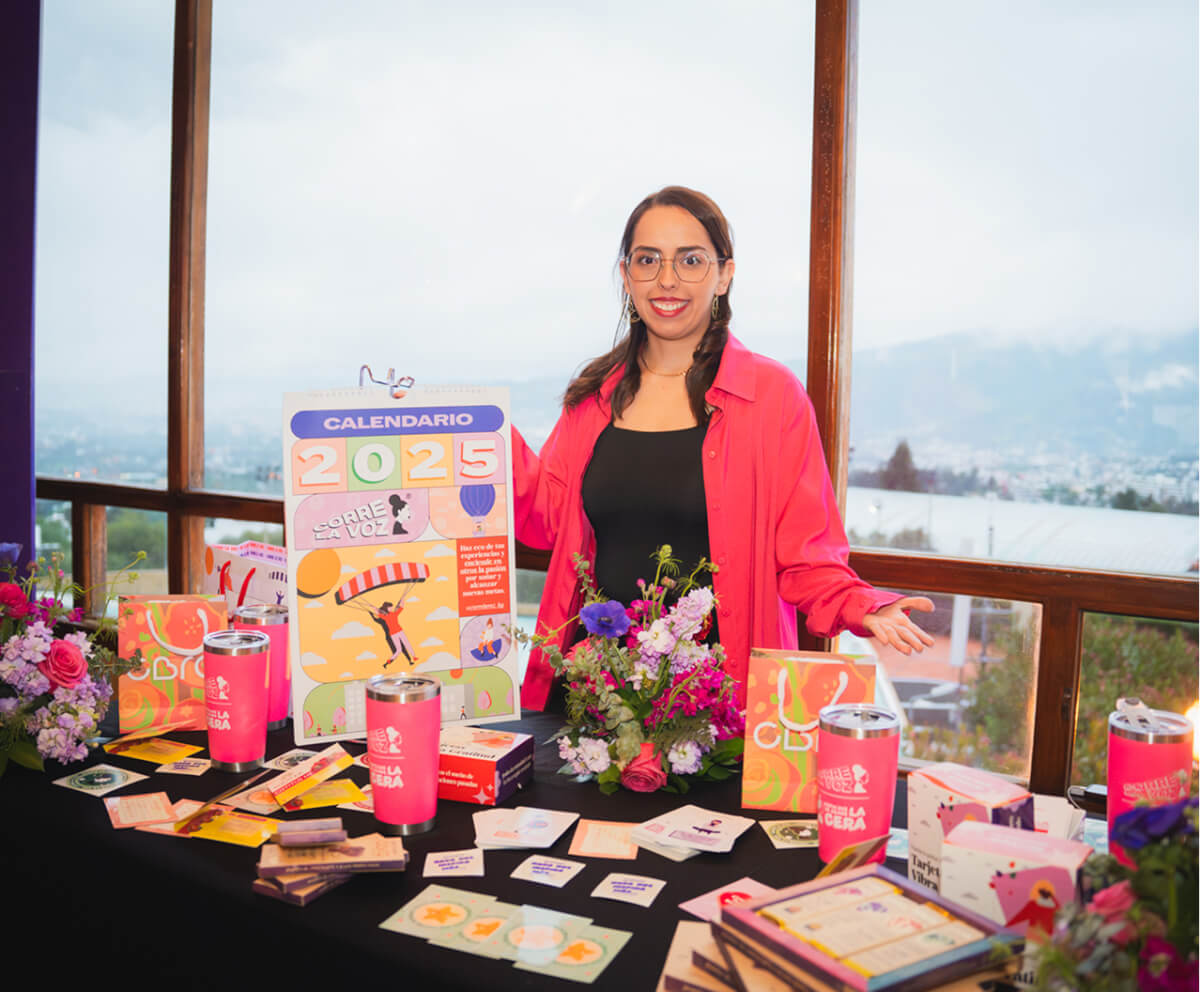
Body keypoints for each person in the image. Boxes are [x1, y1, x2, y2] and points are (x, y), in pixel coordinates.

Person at [513, 185, 933, 711]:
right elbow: (547, 518)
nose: (667, 279)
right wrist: (482, 435)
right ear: (626, 276)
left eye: (690, 260)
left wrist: (862, 605)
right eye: (648, 260)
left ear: (724, 275)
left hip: (716, 703)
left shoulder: (772, 396)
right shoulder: (594, 396)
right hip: (594, 690)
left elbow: (808, 552)